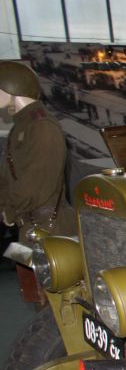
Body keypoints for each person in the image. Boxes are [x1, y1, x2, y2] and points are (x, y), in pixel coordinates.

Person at [0, 61, 75, 242]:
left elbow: (35, 182)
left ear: (12, 88)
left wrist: (10, 210)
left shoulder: (41, 126)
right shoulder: (23, 125)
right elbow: (8, 176)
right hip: (31, 224)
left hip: (48, 228)